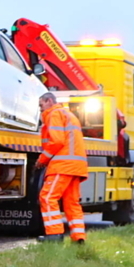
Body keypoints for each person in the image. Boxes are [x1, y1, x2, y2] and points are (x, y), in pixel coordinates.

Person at [36, 92, 88, 243]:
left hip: (62, 165)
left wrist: (42, 159)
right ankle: (78, 237)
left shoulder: (54, 114)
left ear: (49, 101)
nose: (40, 109)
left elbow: (57, 141)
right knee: (72, 202)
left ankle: (54, 235)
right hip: (76, 166)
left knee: (47, 197)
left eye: (41, 105)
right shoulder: (70, 115)